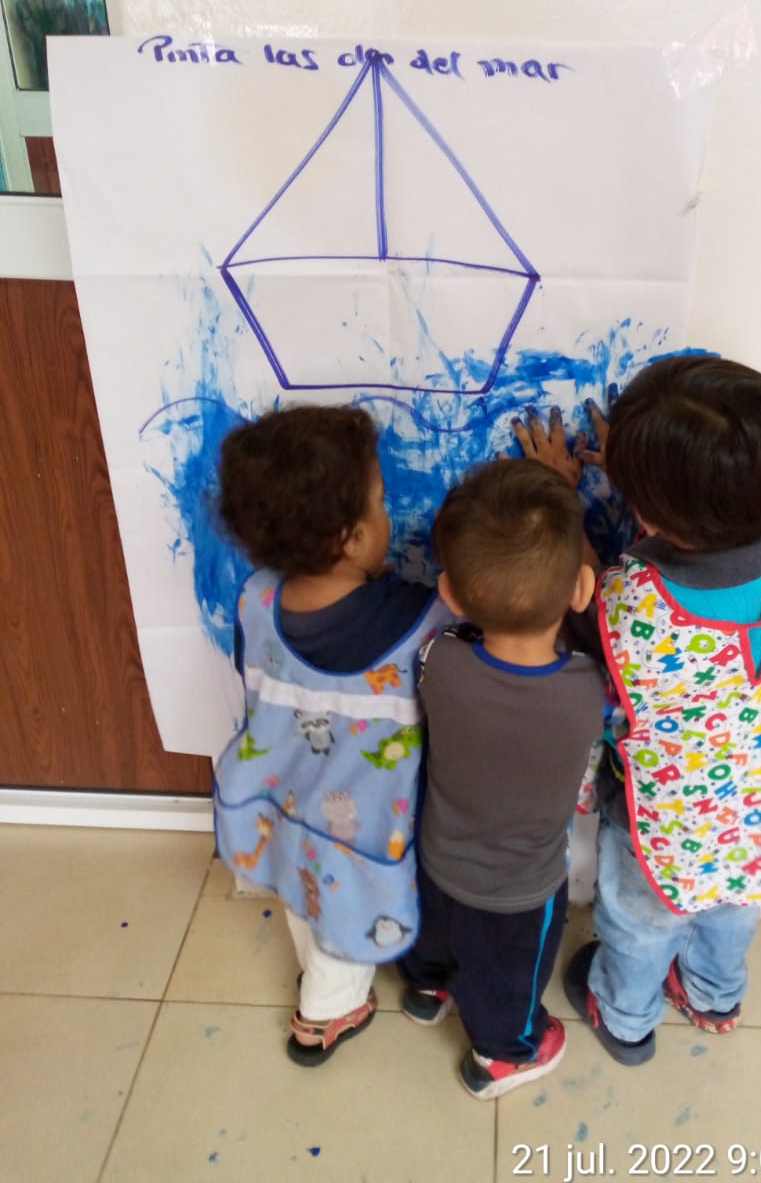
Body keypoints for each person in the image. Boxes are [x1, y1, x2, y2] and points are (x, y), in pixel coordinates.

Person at [519, 355, 761, 1065]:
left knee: (640, 925)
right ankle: (713, 997)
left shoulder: (634, 606)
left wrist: (563, 494)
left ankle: (625, 1019)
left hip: (666, 827)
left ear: (648, 513)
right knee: (733, 912)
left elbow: (584, 592)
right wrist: (661, 475)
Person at [213, 404, 454, 1066]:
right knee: (342, 930)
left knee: (306, 898)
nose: (389, 515)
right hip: (364, 829)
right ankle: (325, 1014)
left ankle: (324, 982)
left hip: (284, 805)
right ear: (350, 538)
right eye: (381, 502)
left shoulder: (256, 599)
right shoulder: (423, 618)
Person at [397, 459, 607, 1099]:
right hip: (519, 892)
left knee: (436, 936)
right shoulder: (587, 692)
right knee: (506, 977)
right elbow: (594, 634)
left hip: (436, 858)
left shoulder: (439, 660)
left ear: (451, 595)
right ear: (581, 588)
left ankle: (426, 990)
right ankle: (503, 1055)